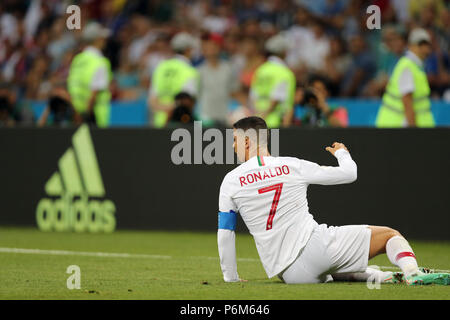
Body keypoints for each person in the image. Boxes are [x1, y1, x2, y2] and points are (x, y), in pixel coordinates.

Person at [217, 116, 450, 285]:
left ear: (247, 141)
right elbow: (350, 174)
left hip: (289, 273)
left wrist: (231, 278)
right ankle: (412, 273)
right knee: (390, 235)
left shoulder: (230, 181)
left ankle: (385, 277)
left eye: (235, 140)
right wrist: (342, 153)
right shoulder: (292, 165)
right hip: (315, 247)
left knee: (339, 270)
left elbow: (226, 233)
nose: (233, 145)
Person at [376, 28, 435, 128]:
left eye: (428, 46)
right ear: (413, 46)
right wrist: (413, 131)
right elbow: (407, 101)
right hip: (396, 128)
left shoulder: (414, 65)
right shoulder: (407, 66)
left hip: (396, 128)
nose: (427, 50)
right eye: (424, 46)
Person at [148, 32, 199, 128]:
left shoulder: (161, 67)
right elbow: (187, 103)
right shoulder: (189, 71)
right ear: (188, 50)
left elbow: (152, 101)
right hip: (180, 127)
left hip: (159, 124)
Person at [67, 22, 112, 128]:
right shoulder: (100, 62)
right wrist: (85, 117)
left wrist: (77, 115)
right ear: (97, 40)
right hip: (94, 118)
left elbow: (72, 87)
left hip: (74, 115)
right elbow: (94, 93)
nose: (104, 41)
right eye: (102, 38)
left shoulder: (77, 60)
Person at [249, 34, 295, 128]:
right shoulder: (285, 73)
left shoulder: (260, 70)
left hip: (258, 121)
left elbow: (253, 96)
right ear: (283, 52)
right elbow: (277, 98)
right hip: (277, 123)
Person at [198, 33, 239, 127]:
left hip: (226, 116)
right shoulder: (198, 71)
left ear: (219, 48)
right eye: (207, 46)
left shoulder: (229, 68)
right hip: (205, 117)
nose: (210, 49)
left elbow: (235, 91)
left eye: (213, 46)